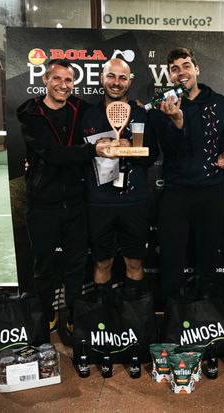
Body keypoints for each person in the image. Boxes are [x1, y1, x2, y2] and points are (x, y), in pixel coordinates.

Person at [16, 59, 110, 333]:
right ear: (45, 80)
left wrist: (134, 106)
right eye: (57, 78)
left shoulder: (80, 108)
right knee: (44, 266)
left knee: (76, 266)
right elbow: (52, 153)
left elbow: (106, 112)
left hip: (76, 202)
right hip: (42, 203)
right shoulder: (31, 115)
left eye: (68, 80)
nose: (63, 85)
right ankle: (46, 316)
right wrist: (91, 151)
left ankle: (73, 317)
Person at [153, 47, 224, 299]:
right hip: (176, 193)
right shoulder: (162, 105)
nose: (181, 72)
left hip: (211, 192)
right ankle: (174, 312)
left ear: (196, 69)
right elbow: (169, 148)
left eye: (186, 66)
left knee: (208, 256)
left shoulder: (219, 102)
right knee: (171, 257)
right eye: (174, 69)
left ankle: (205, 310)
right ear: (169, 75)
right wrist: (177, 122)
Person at [81, 58, 158, 299]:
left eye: (122, 77)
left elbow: (152, 155)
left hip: (134, 202)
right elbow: (77, 156)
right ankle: (103, 315)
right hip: (99, 202)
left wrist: (131, 148)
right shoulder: (87, 114)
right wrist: (97, 148)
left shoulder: (142, 113)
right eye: (111, 76)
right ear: (101, 78)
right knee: (102, 263)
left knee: (134, 263)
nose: (116, 82)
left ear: (130, 81)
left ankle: (133, 316)